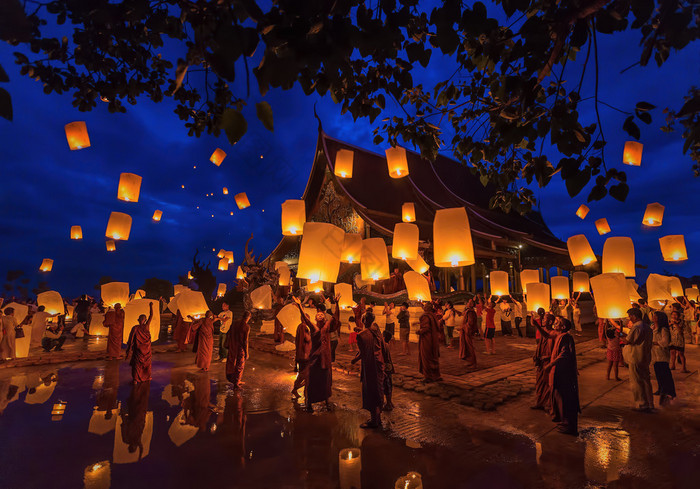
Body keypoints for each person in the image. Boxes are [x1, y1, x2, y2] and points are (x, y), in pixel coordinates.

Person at [293, 297, 333, 411]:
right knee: (312, 381)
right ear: (315, 318)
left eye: (322, 314)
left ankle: (326, 401)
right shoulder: (314, 328)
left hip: (324, 360)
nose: (320, 315)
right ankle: (309, 403)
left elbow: (335, 318)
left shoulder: (326, 327)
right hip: (315, 359)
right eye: (318, 314)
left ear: (324, 317)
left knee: (325, 381)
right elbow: (305, 319)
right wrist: (300, 305)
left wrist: (337, 304)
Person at [544, 317, 580, 435]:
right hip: (559, 371)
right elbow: (547, 334)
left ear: (563, 327)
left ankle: (568, 425)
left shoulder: (565, 337)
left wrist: (550, 365)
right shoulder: (559, 336)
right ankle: (564, 422)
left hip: (563, 372)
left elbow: (564, 354)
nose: (555, 323)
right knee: (559, 398)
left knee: (564, 399)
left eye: (558, 323)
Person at [351, 312, 386, 429]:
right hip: (379, 363)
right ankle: (378, 418)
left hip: (370, 365)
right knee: (378, 390)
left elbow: (362, 353)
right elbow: (369, 331)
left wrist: (353, 360)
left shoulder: (361, 335)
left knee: (371, 391)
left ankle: (374, 421)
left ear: (364, 320)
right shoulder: (376, 330)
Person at [624, 307, 654, 412]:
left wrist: (620, 336)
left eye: (630, 316)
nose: (629, 318)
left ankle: (641, 404)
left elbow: (628, 341)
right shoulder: (647, 327)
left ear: (634, 316)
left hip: (635, 357)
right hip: (645, 356)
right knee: (646, 380)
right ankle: (650, 403)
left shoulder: (637, 327)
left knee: (637, 381)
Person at [125, 303, 154, 383]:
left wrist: (129, 349)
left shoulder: (135, 328)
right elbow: (151, 315)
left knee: (138, 364)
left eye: (142, 319)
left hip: (139, 349)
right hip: (146, 349)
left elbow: (130, 340)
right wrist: (151, 306)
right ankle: (145, 377)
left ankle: (136, 379)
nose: (142, 320)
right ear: (144, 320)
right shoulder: (146, 326)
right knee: (146, 364)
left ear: (139, 320)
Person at [651, 311, 676, 405]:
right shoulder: (653, 327)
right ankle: (660, 389)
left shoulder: (663, 329)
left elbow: (665, 342)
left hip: (662, 354)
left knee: (665, 374)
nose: (653, 317)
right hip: (655, 354)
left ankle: (669, 392)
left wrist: (654, 343)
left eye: (655, 316)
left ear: (659, 318)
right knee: (658, 373)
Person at [532, 308, 554, 413]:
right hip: (541, 362)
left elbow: (547, 337)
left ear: (550, 322)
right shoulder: (544, 330)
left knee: (547, 384)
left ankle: (548, 404)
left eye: (545, 319)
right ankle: (539, 403)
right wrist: (536, 355)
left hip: (548, 363)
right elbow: (540, 344)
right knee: (539, 384)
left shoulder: (553, 333)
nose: (543, 321)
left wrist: (537, 325)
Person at [418, 302, 442, 382]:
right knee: (433, 357)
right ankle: (436, 375)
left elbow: (426, 328)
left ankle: (428, 376)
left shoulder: (426, 316)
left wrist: (418, 331)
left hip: (427, 339)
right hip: (434, 339)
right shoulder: (433, 315)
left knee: (426, 357)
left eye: (424, 306)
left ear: (427, 308)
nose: (423, 307)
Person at [226, 311, 251, 389]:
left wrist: (228, 343)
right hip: (239, 348)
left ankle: (235, 380)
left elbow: (228, 333)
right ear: (248, 318)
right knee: (239, 365)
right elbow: (245, 341)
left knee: (231, 362)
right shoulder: (246, 326)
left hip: (232, 346)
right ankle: (236, 383)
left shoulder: (235, 323)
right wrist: (246, 352)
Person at [292, 313, 312, 399]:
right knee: (304, 374)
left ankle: (305, 391)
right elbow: (307, 338)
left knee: (307, 374)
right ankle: (295, 389)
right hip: (304, 355)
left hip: (303, 354)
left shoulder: (300, 327)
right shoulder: (303, 327)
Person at [459, 301, 477, 368]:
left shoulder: (471, 312)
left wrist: (463, 327)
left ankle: (473, 362)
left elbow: (470, 323)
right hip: (465, 331)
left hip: (467, 331)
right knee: (467, 346)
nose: (467, 303)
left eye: (469, 302)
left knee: (469, 347)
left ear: (472, 305)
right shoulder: (468, 311)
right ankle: (469, 361)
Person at [382, 330, 395, 411]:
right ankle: (389, 402)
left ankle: (389, 403)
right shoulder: (387, 345)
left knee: (387, 385)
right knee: (388, 384)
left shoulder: (385, 346)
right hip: (389, 367)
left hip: (386, 368)